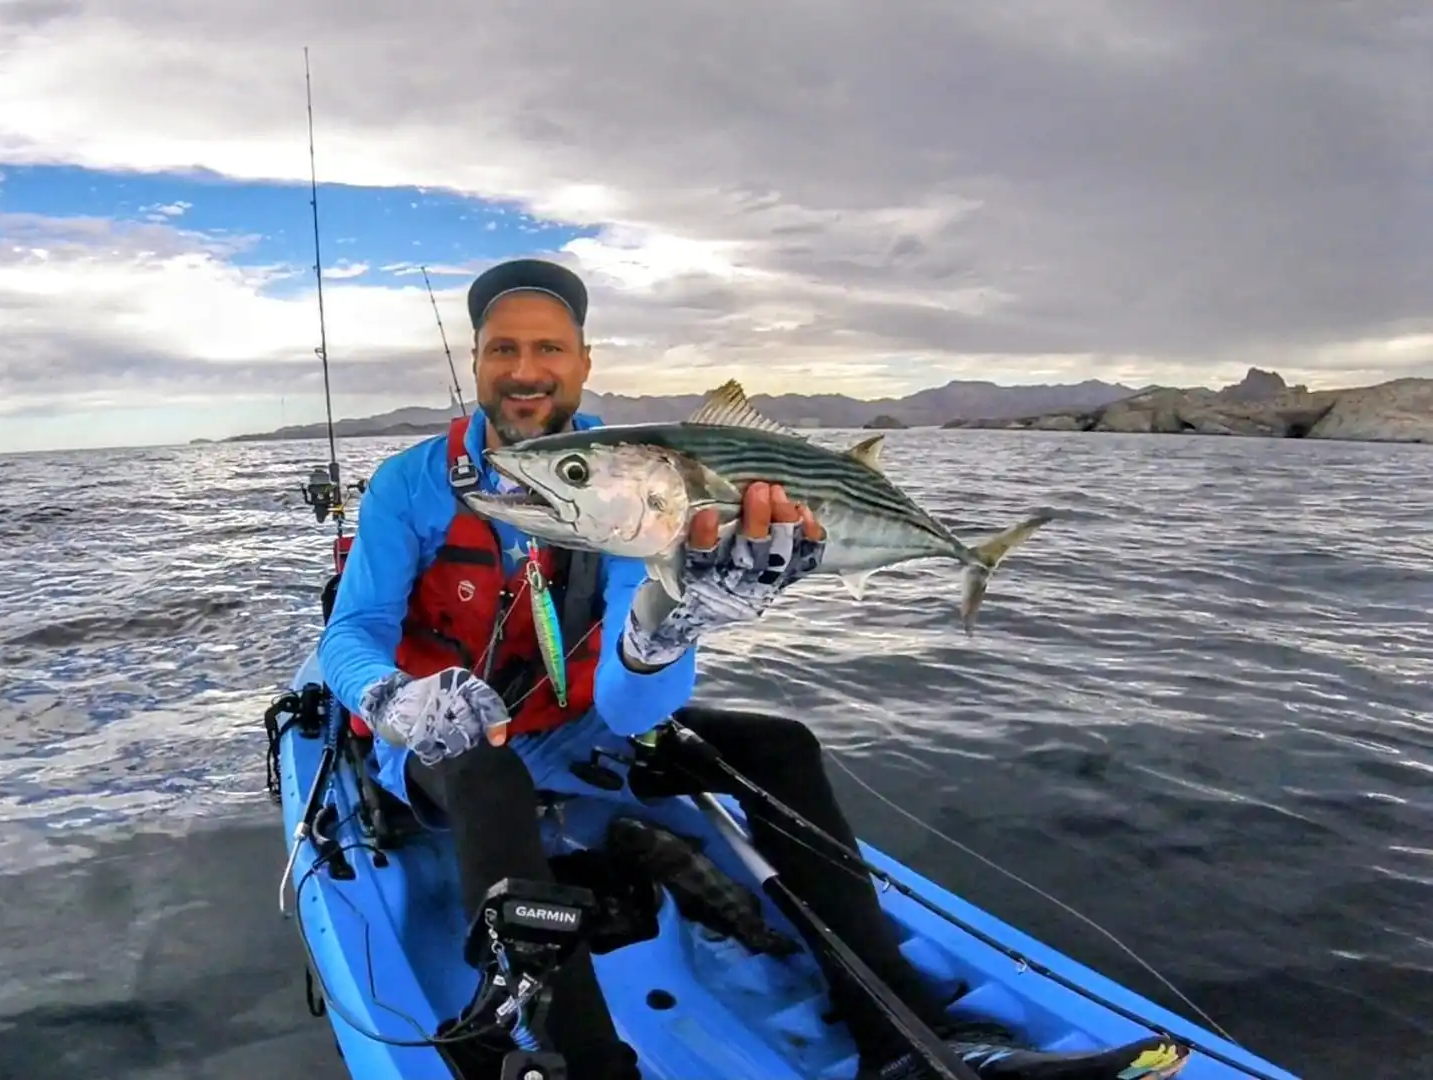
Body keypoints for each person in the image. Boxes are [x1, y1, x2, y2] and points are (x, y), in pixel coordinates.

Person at [317, 258, 1190, 1080]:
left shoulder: (638, 478)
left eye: (549, 347)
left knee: (781, 746)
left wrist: (672, 623)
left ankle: (907, 1038)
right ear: (475, 360)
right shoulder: (411, 482)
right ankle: (581, 1062)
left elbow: (627, 708)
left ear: (583, 362)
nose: (525, 368)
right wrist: (391, 696)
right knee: (485, 775)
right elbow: (348, 632)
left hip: (577, 731)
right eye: (503, 347)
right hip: (446, 736)